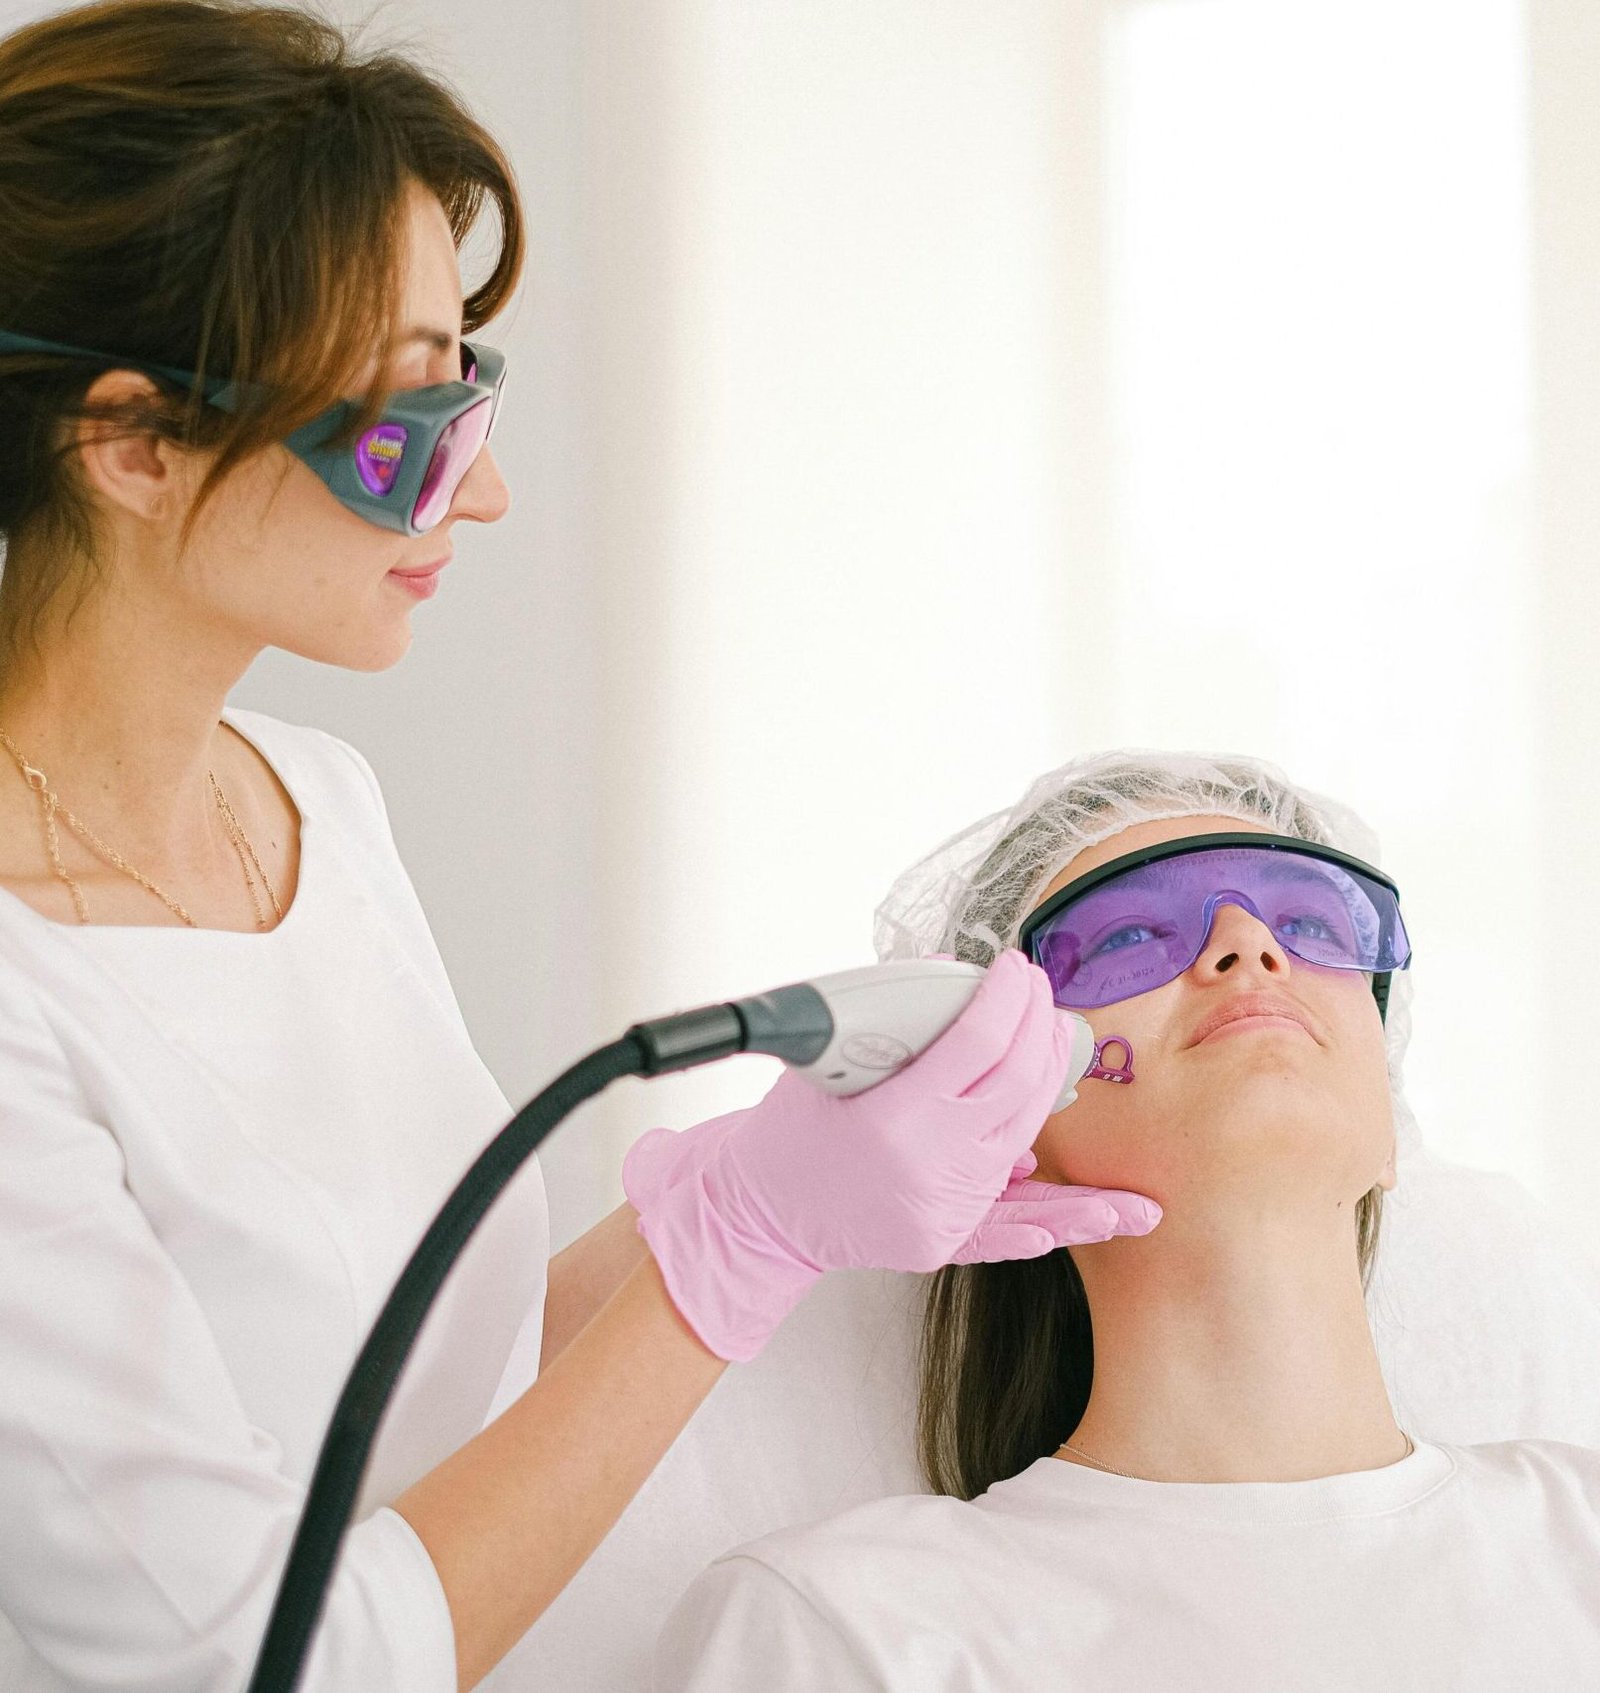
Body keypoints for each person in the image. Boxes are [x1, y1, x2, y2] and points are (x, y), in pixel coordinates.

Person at [0, 5, 1163, 1690]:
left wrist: (747, 1181)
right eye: (402, 422)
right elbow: (260, 1663)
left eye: (470, 386)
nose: (480, 493)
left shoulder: (308, 801)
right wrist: (730, 1260)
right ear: (131, 441)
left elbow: (411, 1386)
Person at [653, 751, 1600, 1691]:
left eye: (1309, 921)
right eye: (1129, 933)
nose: (1246, 943)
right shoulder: (849, 1628)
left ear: (1388, 1124)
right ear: (1009, 1123)